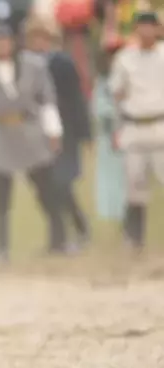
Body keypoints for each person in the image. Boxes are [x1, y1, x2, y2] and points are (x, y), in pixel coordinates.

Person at [0, 22, 66, 263]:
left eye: (5, 40)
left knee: (46, 190)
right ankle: (1, 247)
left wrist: (53, 132)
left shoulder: (34, 66)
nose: (1, 45)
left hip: (30, 134)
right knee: (0, 198)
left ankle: (58, 239)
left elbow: (46, 100)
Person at [24, 18, 92, 250]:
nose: (38, 43)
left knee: (61, 183)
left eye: (41, 38)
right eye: (33, 39)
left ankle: (71, 229)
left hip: (64, 132)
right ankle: (66, 230)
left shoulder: (62, 63)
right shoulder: (24, 66)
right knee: (45, 187)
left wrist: (84, 132)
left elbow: (76, 99)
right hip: (36, 136)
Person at [109, 11, 164, 252]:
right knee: (135, 185)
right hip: (134, 125)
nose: (146, 31)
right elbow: (116, 91)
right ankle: (134, 239)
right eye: (141, 26)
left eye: (150, 26)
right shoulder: (125, 58)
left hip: (160, 124)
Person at [93, 37, 126, 222]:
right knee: (109, 176)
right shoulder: (103, 81)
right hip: (108, 135)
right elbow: (98, 108)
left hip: (130, 131)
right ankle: (112, 210)